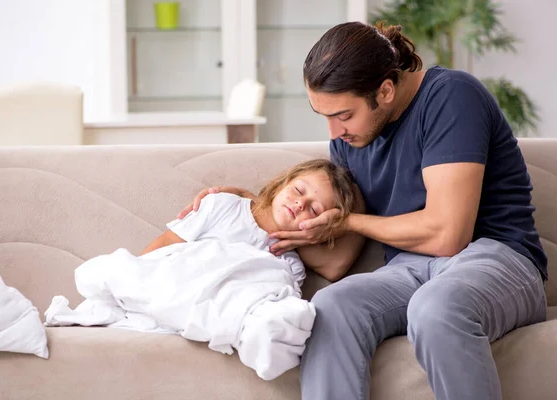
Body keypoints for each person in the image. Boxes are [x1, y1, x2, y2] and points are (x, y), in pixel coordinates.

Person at [178, 21, 547, 400]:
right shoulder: (348, 142)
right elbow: (336, 261)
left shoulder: (451, 96)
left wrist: (350, 219)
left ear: (385, 90)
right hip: (408, 270)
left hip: (497, 260)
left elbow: (448, 236)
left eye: (343, 115)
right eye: (324, 116)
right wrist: (254, 207)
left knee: (435, 308)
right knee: (330, 307)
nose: (334, 132)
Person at [44, 159, 357, 380]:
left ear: (319, 226)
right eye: (299, 190)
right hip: (177, 282)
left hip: (222, 301)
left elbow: (263, 290)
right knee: (117, 270)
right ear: (283, 183)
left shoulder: (288, 262)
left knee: (275, 313)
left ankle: (264, 337)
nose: (300, 205)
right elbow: (167, 246)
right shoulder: (223, 205)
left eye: (314, 210)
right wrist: (141, 281)